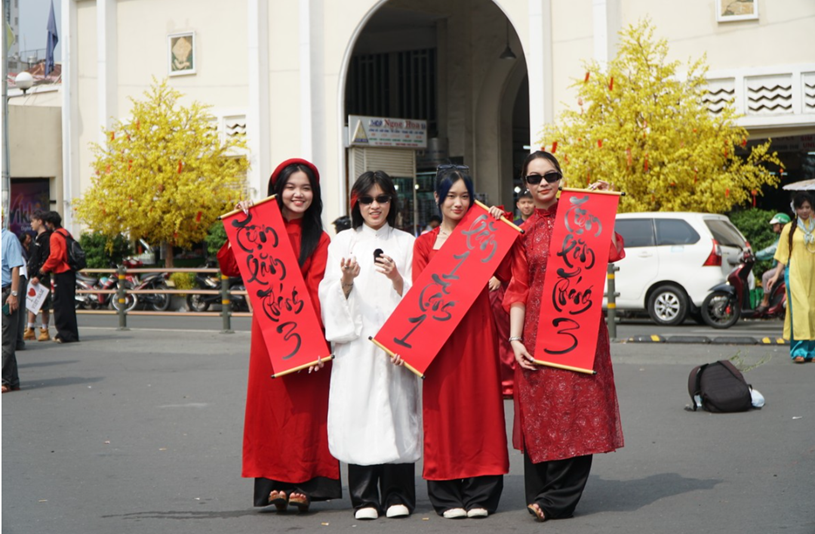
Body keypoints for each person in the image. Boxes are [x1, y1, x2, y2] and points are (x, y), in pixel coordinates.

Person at [504, 151, 624, 522]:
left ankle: (558, 500)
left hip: (578, 331)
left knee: (577, 411)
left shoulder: (582, 220)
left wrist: (603, 209)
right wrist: (515, 339)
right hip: (537, 336)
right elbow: (518, 289)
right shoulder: (522, 233)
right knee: (542, 414)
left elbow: (613, 251)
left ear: (560, 179)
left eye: (550, 176)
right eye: (534, 178)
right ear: (524, 185)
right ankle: (540, 492)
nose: (543, 184)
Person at [217, 158, 340, 512]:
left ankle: (303, 482)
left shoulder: (322, 238)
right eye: (290, 187)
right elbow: (229, 266)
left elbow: (317, 288)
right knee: (270, 408)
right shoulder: (258, 228)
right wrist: (240, 226)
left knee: (305, 411)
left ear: (313, 194)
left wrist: (315, 342)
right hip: (270, 333)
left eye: (305, 188)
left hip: (307, 335)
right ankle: (274, 483)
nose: (297, 194)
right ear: (278, 191)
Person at [319, 170, 420, 520]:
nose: (374, 206)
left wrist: (396, 279)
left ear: (392, 201)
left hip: (395, 345)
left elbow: (421, 297)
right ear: (356, 203)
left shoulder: (408, 243)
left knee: (397, 411)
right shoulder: (342, 242)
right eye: (366, 199)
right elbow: (328, 293)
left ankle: (399, 494)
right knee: (358, 412)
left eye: (381, 198)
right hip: (357, 344)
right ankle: (363, 496)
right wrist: (345, 282)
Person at [412, 165, 509, 519]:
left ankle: (482, 491)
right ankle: (447, 491)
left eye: (464, 196)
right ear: (437, 199)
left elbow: (512, 264)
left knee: (480, 407)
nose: (457, 202)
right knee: (444, 412)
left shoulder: (486, 235)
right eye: (450, 196)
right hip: (440, 338)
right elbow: (420, 294)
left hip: (478, 333)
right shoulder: (424, 243)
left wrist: (499, 220)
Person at [767, 192, 815, 363]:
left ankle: (812, 351)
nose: (804, 211)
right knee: (801, 311)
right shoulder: (789, 228)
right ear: (795, 209)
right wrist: (775, 276)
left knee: (812, 312)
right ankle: (798, 351)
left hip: (813, 275)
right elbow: (782, 255)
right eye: (801, 207)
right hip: (795, 273)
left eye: (807, 207)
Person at [40, 211, 80, 343]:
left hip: (61, 272)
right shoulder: (66, 233)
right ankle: (72, 333)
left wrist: (44, 268)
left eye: (47, 222)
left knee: (60, 305)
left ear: (50, 223)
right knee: (68, 304)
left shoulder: (55, 236)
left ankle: (64, 334)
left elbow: (55, 256)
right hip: (70, 272)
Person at [2, 218, 25, 393]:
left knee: (6, 339)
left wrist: (14, 294)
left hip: (5, 292)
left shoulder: (9, 238)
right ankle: (13, 380)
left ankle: (4, 380)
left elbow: (16, 267)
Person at [23, 211, 53, 342]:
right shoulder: (36, 237)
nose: (31, 224)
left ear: (40, 221)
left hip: (42, 276)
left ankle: (44, 329)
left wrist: (39, 275)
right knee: (32, 303)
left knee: (44, 304)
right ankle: (30, 329)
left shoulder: (46, 238)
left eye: (32, 221)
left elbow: (46, 258)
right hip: (33, 274)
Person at [754, 212, 791, 313]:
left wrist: (756, 255)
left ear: (782, 225)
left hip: (786, 268)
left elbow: (772, 250)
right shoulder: (780, 237)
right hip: (782, 266)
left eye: (776, 224)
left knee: (766, 276)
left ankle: (765, 302)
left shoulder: (785, 237)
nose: (774, 226)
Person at [15, 231, 30, 350]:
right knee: (17, 309)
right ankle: (17, 340)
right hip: (20, 274)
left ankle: (16, 340)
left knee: (14, 309)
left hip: (17, 275)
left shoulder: (8, 238)